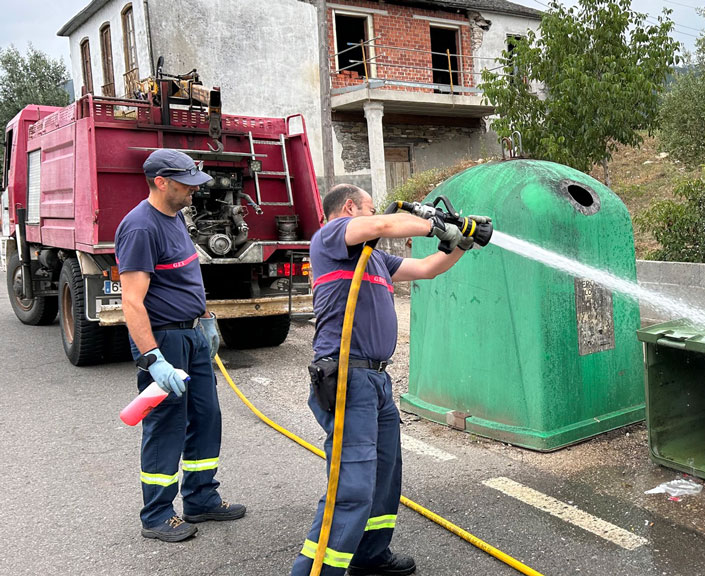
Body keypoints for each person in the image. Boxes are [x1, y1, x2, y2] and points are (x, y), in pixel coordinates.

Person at [291, 184, 478, 576]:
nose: (376, 215)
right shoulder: (329, 238)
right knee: (351, 484)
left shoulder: (373, 259)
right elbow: (382, 223)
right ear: (348, 208)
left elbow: (427, 270)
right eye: (370, 208)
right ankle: (314, 570)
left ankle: (370, 554)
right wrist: (430, 225)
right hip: (347, 376)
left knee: (384, 475)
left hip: (376, 380)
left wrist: (464, 242)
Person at [117, 149, 246, 543]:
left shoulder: (175, 220)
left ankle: (201, 498)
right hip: (165, 339)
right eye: (185, 182)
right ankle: (156, 514)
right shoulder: (141, 227)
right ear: (161, 182)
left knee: (206, 418)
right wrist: (153, 359)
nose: (194, 189)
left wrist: (205, 321)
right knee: (167, 424)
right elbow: (132, 301)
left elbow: (186, 277)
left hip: (191, 335)